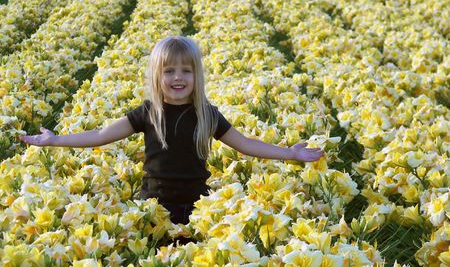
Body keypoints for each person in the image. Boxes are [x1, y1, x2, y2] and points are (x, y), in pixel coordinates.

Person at [20, 35, 324, 226]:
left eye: (186, 71)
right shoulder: (148, 113)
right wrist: (54, 140)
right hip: (154, 203)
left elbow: (245, 144)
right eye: (169, 71)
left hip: (198, 205)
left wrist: (289, 153)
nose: (178, 78)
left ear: (196, 75)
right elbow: (101, 136)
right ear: (157, 75)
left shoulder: (208, 115)